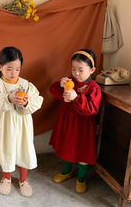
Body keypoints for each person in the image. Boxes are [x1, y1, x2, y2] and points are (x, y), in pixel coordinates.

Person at [0, 46, 43, 197]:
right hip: (4, 125)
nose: (13, 73)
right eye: (9, 68)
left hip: (23, 124)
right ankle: (6, 178)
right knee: (6, 148)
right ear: (0, 67)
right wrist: (7, 98)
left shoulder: (25, 85)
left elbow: (38, 100)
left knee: (23, 147)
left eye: (17, 69)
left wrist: (26, 102)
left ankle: (23, 179)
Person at [49, 49, 102, 193]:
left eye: (80, 70)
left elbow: (92, 108)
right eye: (73, 69)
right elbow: (54, 92)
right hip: (67, 123)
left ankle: (81, 178)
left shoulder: (94, 88)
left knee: (82, 152)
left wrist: (76, 98)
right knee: (67, 147)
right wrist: (60, 85)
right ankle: (67, 172)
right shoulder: (70, 81)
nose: (76, 73)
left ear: (91, 70)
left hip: (83, 126)